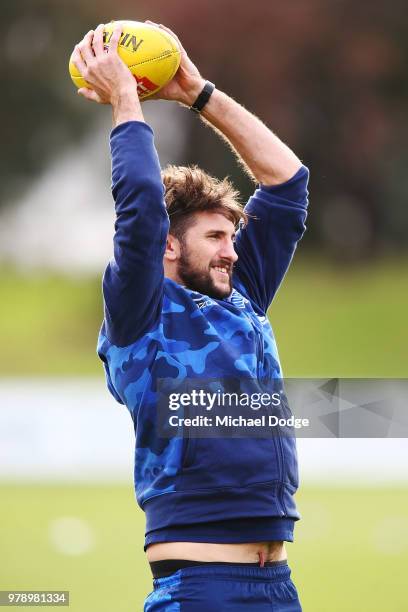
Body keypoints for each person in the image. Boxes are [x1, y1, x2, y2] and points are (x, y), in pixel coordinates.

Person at [72, 20, 308, 611]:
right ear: (169, 247)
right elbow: (142, 207)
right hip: (201, 587)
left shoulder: (241, 296)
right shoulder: (141, 310)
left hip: (277, 585)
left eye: (233, 236)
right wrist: (126, 98)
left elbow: (287, 181)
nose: (233, 249)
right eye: (215, 236)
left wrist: (198, 95)